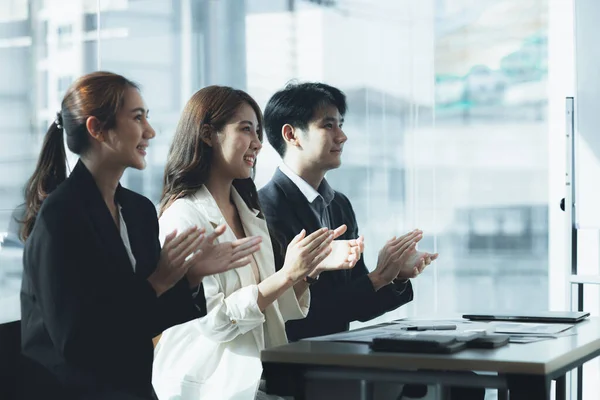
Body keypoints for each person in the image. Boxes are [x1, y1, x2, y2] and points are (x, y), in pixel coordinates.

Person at [19, 72, 260, 400]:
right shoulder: (60, 218)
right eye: (137, 118)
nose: (150, 131)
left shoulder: (138, 210)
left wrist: (189, 277)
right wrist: (158, 282)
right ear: (97, 129)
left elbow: (152, 319)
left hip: (134, 387)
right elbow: (77, 341)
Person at [259, 82, 483, 400]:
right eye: (328, 125)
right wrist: (376, 278)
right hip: (297, 362)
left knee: (462, 379)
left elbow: (358, 304)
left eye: (341, 124)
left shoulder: (339, 205)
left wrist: (392, 277)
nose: (342, 136)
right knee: (454, 384)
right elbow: (289, 316)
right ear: (291, 135)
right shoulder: (266, 209)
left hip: (338, 353)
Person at [151, 86, 362, 400]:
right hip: (207, 388)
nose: (258, 143)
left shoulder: (250, 214)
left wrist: (306, 271)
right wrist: (287, 274)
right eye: (246, 129)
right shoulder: (182, 217)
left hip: (257, 380)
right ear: (208, 135)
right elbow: (215, 325)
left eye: (259, 132)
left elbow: (276, 309)